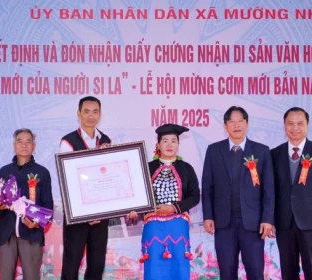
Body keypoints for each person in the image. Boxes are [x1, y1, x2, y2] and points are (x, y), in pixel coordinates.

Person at [201, 106, 274, 280]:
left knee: (255, 271)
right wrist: (208, 216)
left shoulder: (261, 151)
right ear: (225, 125)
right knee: (227, 271)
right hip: (224, 223)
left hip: (253, 223)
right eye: (232, 121)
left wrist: (267, 219)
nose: (236, 125)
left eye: (240, 121)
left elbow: (269, 189)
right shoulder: (214, 150)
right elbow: (207, 186)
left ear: (247, 124)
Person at [126, 123, 200, 280]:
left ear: (178, 144)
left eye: (174, 141)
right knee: (154, 265)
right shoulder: (147, 168)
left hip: (178, 225)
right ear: (158, 144)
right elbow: (137, 196)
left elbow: (195, 196)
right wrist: (133, 210)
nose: (169, 145)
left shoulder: (187, 168)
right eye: (165, 141)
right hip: (153, 226)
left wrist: (174, 207)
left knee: (179, 264)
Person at [271, 107, 312, 280]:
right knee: (288, 271)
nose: (295, 128)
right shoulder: (274, 154)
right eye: (290, 123)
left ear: (307, 125)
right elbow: (271, 190)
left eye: (300, 123)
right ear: (284, 126)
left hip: (311, 222)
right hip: (283, 222)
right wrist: (270, 219)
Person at [59, 96, 112, 280]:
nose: (91, 116)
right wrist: (85, 212)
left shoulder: (106, 140)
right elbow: (68, 179)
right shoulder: (68, 141)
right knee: (72, 262)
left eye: (95, 112)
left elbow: (110, 175)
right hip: (77, 213)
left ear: (100, 114)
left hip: (101, 213)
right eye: (86, 111)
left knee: (97, 262)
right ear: (79, 113)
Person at [0, 128, 54, 280]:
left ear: (34, 146)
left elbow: (48, 206)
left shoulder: (42, 172)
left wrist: (37, 222)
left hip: (31, 233)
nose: (24, 145)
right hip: (6, 233)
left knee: (31, 277)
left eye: (28, 141)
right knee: (5, 277)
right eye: (20, 141)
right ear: (14, 146)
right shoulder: (3, 172)